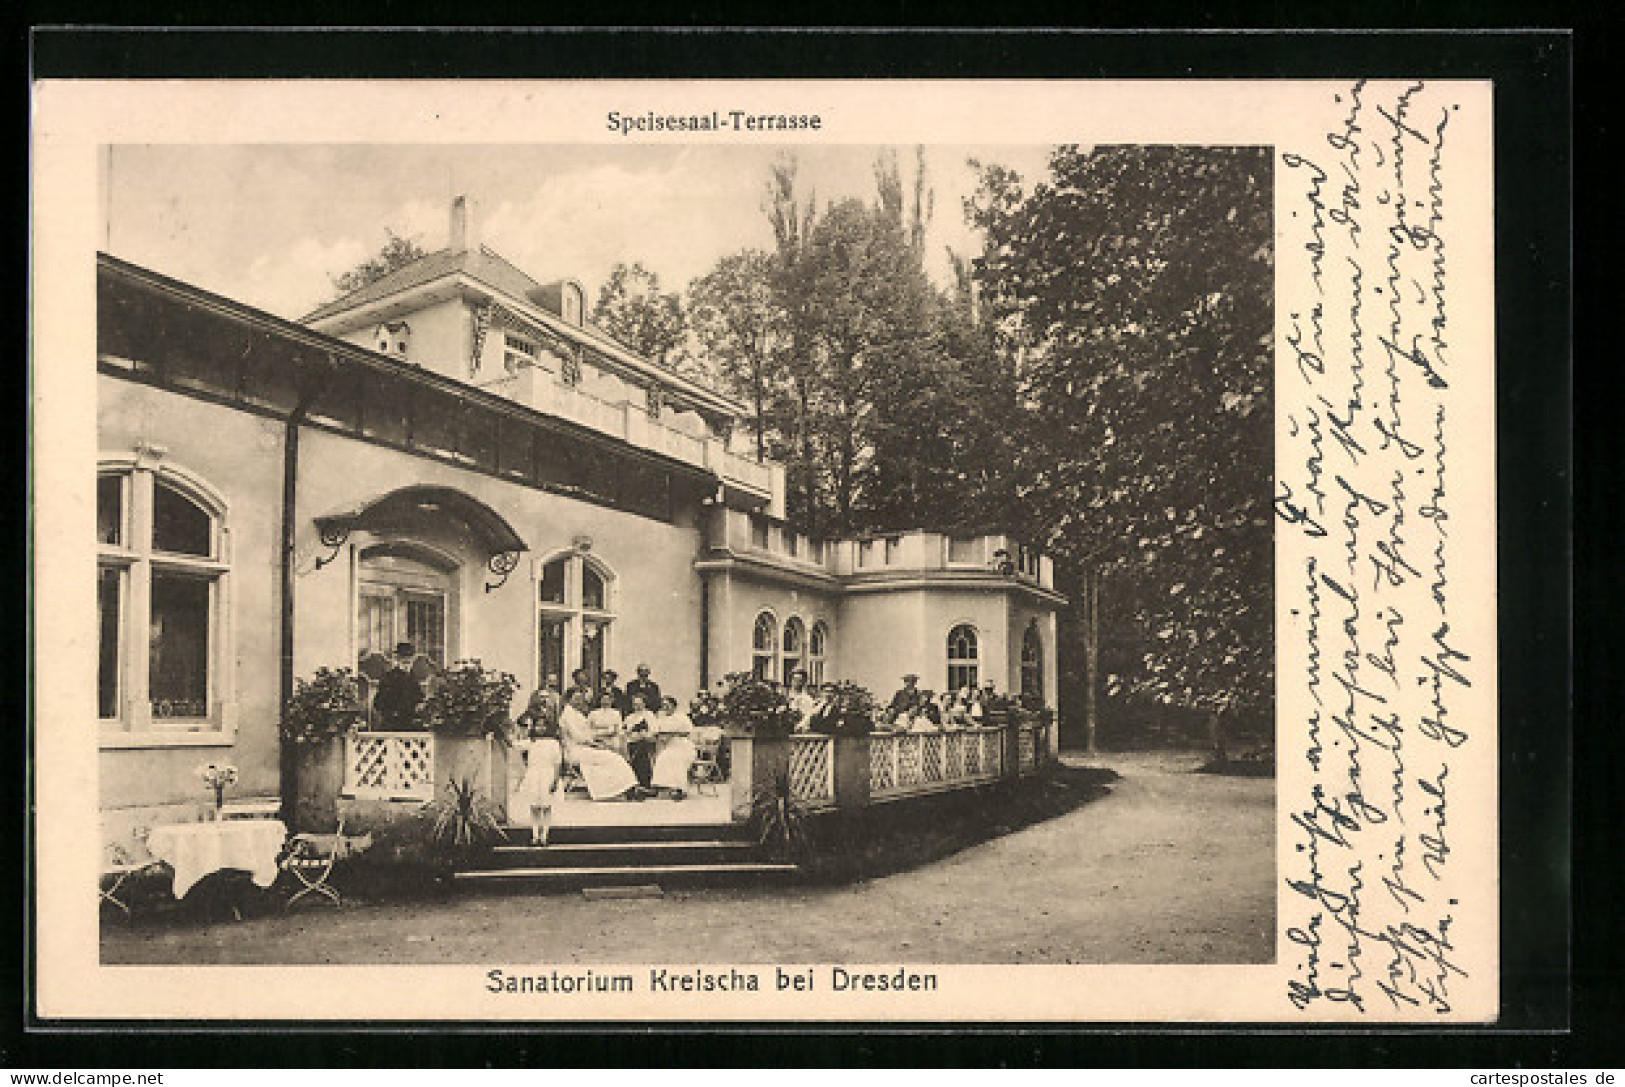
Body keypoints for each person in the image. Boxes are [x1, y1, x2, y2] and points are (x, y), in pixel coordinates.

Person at [559, 688, 640, 801]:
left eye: (580, 699)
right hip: (576, 750)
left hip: (585, 748)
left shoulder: (577, 714)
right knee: (612, 758)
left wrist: (595, 741)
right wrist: (595, 743)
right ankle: (622, 788)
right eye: (576, 698)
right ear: (568, 699)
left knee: (614, 758)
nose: (578, 701)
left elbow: (588, 733)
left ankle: (625, 787)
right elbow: (579, 737)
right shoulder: (567, 715)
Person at [512, 692, 563, 845]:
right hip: (534, 775)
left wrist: (555, 780)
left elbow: (557, 763)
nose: (540, 728)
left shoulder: (553, 743)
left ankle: (545, 835)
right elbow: (513, 745)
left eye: (543, 725)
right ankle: (535, 835)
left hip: (548, 776)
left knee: (547, 807)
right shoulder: (531, 742)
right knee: (534, 807)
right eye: (538, 725)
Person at [650, 695, 697, 799]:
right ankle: (663, 787)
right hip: (669, 746)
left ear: (674, 706)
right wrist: (660, 736)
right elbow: (655, 732)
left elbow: (688, 732)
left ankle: (679, 789)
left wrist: (672, 734)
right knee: (663, 758)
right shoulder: (661, 719)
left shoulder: (682, 718)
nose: (665, 708)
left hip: (683, 745)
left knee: (676, 758)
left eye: (668, 705)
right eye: (664, 705)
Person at [372, 642, 424, 730]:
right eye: (403, 658)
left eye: (410, 658)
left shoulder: (413, 678)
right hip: (393, 723)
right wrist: (392, 713)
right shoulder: (389, 677)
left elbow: (419, 697)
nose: (407, 661)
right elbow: (378, 702)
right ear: (397, 659)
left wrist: (420, 705)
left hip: (411, 723)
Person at [621, 693, 659, 788]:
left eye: (639, 704)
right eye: (635, 704)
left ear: (644, 704)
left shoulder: (649, 715)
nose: (637, 706)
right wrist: (628, 733)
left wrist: (644, 735)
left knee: (640, 751)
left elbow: (654, 730)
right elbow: (623, 730)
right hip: (630, 741)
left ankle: (644, 783)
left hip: (645, 741)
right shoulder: (629, 717)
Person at [588, 690, 626, 757]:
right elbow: (589, 728)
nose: (605, 702)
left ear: (612, 701)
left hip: (612, 738)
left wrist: (608, 731)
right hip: (597, 738)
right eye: (603, 699)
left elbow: (618, 728)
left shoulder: (616, 713)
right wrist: (600, 733)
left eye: (608, 699)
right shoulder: (593, 713)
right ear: (600, 701)